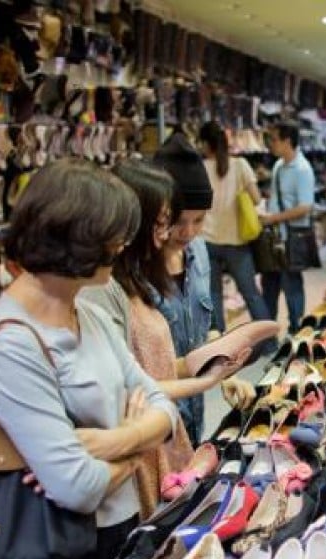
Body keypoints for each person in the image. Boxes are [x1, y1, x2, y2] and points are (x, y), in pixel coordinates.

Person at [0, 160, 178, 559]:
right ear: (76, 238)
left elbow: (163, 406)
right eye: (113, 237)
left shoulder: (84, 311)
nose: (122, 248)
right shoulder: (13, 344)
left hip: (112, 543)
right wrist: (137, 444)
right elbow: (77, 487)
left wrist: (111, 442)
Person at [81, 160, 252, 515]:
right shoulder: (104, 288)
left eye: (197, 220)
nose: (177, 232)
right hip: (139, 443)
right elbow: (127, 389)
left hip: (166, 432)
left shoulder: (174, 261)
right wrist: (207, 379)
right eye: (166, 223)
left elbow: (153, 366)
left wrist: (218, 367)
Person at [150, 132, 217, 445]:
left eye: (199, 220)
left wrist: (221, 365)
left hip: (194, 415)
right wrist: (204, 366)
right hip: (155, 423)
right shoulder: (134, 270)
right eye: (179, 221)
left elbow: (206, 325)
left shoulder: (199, 252)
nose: (188, 232)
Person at [198, 121, 271, 330]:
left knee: (213, 296)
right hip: (236, 241)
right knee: (251, 294)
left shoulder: (201, 168)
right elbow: (257, 199)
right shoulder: (240, 165)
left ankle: (220, 344)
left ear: (205, 144)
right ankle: (268, 342)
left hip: (207, 240)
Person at [261, 121, 316, 333]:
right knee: (270, 285)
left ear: (288, 141)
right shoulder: (278, 166)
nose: (271, 144)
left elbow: (305, 206)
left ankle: (296, 329)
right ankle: (268, 332)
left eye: (274, 139)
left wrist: (274, 218)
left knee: (291, 284)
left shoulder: (302, 169)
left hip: (291, 237)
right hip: (275, 237)